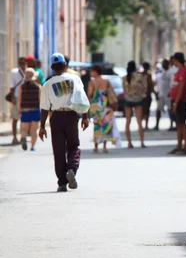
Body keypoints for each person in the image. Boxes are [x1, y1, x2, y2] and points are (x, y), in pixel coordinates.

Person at [39, 53, 89, 192]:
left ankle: (61, 182)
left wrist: (42, 127)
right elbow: (82, 99)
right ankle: (71, 169)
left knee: (58, 150)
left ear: (52, 68)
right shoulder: (75, 79)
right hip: (71, 116)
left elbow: (44, 108)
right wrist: (85, 117)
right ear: (65, 65)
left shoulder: (47, 85)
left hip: (56, 117)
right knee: (73, 146)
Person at [87, 64, 117, 154]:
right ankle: (104, 147)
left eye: (91, 71)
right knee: (105, 126)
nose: (90, 73)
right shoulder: (107, 81)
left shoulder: (92, 82)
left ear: (96, 71)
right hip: (105, 106)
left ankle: (96, 147)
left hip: (95, 107)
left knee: (96, 126)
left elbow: (89, 94)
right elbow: (111, 93)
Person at [168, 53, 186, 154]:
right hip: (175, 100)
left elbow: (181, 88)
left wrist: (176, 103)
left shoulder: (183, 72)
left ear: (177, 60)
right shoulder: (179, 71)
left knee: (182, 123)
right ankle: (179, 145)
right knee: (178, 123)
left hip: (180, 101)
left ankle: (185, 146)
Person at [122, 61, 148, 149]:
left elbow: (124, 90)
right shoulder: (140, 76)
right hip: (138, 99)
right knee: (139, 122)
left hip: (128, 100)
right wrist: (142, 95)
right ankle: (142, 142)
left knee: (127, 122)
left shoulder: (124, 77)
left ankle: (129, 143)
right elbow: (145, 87)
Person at [18, 68, 41, 151]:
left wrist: (19, 109)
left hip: (25, 110)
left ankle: (23, 137)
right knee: (34, 130)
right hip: (35, 110)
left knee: (24, 129)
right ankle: (32, 147)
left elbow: (19, 99)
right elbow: (40, 100)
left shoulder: (22, 87)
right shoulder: (38, 87)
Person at [9, 57, 27, 145]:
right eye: (20, 63)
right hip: (16, 97)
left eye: (24, 63)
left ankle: (23, 136)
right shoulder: (14, 72)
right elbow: (12, 85)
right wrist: (12, 98)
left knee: (25, 119)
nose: (22, 65)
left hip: (25, 98)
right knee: (15, 118)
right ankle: (14, 137)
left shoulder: (28, 72)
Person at [155, 59, 173, 131]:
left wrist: (170, 92)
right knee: (158, 110)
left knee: (170, 110)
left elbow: (172, 83)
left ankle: (172, 124)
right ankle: (157, 125)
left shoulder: (170, 72)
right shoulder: (160, 72)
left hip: (168, 94)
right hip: (161, 94)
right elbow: (158, 84)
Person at [141, 62, 156, 130]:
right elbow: (151, 85)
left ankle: (142, 124)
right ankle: (145, 125)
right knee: (146, 110)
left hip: (143, 95)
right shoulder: (148, 75)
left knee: (143, 110)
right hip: (146, 95)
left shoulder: (141, 75)